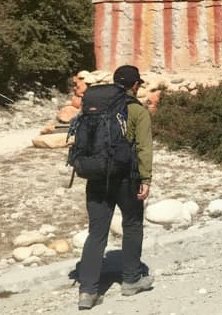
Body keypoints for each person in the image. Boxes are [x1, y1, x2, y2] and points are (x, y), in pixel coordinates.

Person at [75, 65, 154, 310]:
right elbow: (144, 148)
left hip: (96, 176)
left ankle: (87, 292)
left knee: (96, 232)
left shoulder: (94, 108)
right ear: (135, 85)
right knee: (132, 224)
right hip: (125, 179)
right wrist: (146, 179)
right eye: (138, 84)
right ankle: (131, 280)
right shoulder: (136, 111)